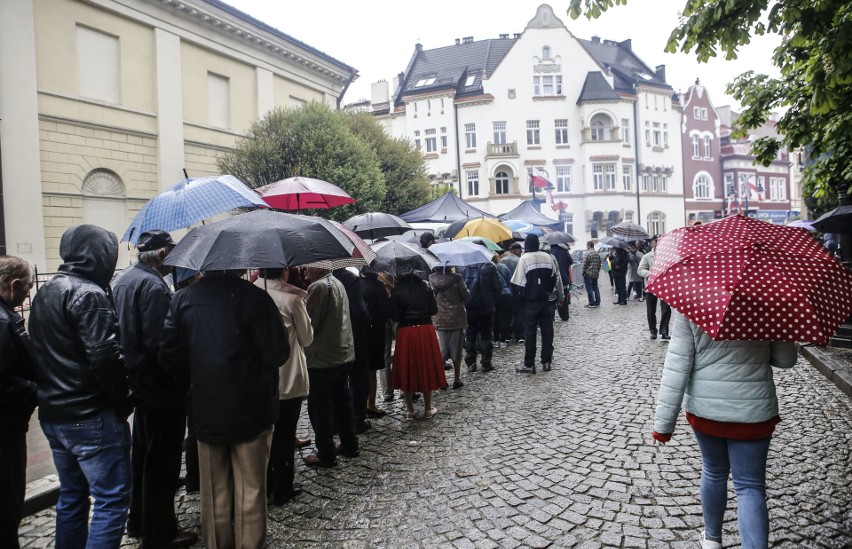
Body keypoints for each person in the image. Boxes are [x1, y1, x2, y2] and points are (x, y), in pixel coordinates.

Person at [160, 269, 288, 549]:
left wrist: (194, 382)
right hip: (251, 409)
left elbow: (169, 355)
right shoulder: (254, 298)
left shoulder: (182, 299)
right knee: (251, 490)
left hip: (206, 407)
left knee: (214, 490)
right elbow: (277, 353)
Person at [652, 313, 797, 549]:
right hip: (754, 411)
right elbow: (786, 360)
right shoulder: (769, 306)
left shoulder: (692, 303)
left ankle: (711, 539)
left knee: (713, 471)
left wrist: (663, 426)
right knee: (750, 486)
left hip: (708, 411)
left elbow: (677, 366)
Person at [29, 224, 133, 548]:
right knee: (111, 501)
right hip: (90, 415)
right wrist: (124, 401)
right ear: (101, 255)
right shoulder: (88, 293)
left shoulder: (47, 290)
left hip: (55, 414)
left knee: (72, 496)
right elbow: (105, 358)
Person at [111, 230, 197, 548]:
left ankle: (139, 520)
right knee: (162, 462)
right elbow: (161, 344)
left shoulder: (125, 279)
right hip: (159, 389)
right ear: (161, 255)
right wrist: (181, 382)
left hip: (138, 383)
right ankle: (159, 532)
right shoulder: (153, 286)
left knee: (143, 456)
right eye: (172, 253)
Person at [255, 268, 312, 506]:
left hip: (259, 377)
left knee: (262, 435)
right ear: (284, 271)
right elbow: (307, 338)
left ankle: (264, 485)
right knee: (285, 435)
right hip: (288, 376)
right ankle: (282, 489)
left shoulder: (251, 292)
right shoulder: (292, 298)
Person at [302, 267, 359, 467]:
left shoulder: (318, 287)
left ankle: (326, 453)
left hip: (323, 358)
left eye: (309, 265)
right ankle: (350, 443)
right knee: (342, 402)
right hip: (342, 354)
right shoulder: (337, 282)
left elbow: (309, 325)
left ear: (320, 266)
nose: (304, 269)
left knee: (320, 407)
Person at [0, 256, 37, 549]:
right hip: (5, 429)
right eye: (27, 290)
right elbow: (5, 384)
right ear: (13, 285)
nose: (27, 295)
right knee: (8, 501)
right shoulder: (3, 322)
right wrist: (37, 389)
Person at [390, 272, 447, 418]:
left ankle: (409, 410)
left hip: (405, 331)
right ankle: (428, 408)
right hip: (424, 329)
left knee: (407, 366)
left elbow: (394, 316)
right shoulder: (425, 287)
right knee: (426, 365)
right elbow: (434, 310)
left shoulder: (397, 290)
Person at [510, 234, 563, 373]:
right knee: (547, 332)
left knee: (530, 333)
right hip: (546, 301)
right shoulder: (548, 257)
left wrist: (518, 304)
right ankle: (546, 362)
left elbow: (518, 284)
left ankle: (529, 364)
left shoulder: (524, 259)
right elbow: (554, 278)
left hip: (530, 303)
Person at [333, 268, 372, 434]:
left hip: (332, 337)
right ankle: (357, 419)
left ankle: (336, 422)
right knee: (359, 377)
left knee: (337, 381)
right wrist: (367, 316)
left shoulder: (320, 280)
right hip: (354, 334)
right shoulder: (349, 278)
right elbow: (358, 310)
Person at [429, 266, 470, 389]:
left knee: (442, 349)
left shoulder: (431, 279)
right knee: (456, 349)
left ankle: (442, 381)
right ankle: (457, 379)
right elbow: (466, 296)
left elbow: (431, 298)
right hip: (456, 317)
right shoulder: (457, 278)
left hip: (439, 317)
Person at [460, 252, 502, 373]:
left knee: (470, 335)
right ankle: (486, 362)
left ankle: (471, 363)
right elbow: (497, 286)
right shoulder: (490, 266)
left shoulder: (464, 267)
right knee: (486, 334)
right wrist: (493, 301)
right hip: (486, 307)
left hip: (469, 307)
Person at [360, 270, 392, 416]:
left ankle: (361, 404)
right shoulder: (378, 286)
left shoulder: (357, 283)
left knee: (362, 369)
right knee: (372, 369)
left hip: (360, 329)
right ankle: (371, 405)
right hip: (376, 329)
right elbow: (386, 310)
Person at [638, 235, 672, 340]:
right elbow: (640, 270)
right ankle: (653, 331)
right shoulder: (647, 256)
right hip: (651, 286)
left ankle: (664, 331)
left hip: (664, 286)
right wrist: (650, 274)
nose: (659, 242)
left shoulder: (667, 256)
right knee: (651, 310)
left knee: (666, 309)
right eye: (657, 241)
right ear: (653, 243)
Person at [550, 242, 573, 321]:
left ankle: (551, 318)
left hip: (552, 279)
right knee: (563, 298)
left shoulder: (549, 251)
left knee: (551, 299)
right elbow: (570, 261)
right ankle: (564, 316)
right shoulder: (563, 250)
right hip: (564, 278)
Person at [581, 241, 601, 308]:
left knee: (589, 288)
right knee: (595, 288)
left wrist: (583, 272)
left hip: (589, 273)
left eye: (587, 245)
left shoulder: (587, 253)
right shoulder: (597, 253)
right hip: (596, 274)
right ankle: (597, 302)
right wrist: (597, 271)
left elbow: (584, 264)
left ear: (589, 245)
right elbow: (599, 264)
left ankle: (591, 303)